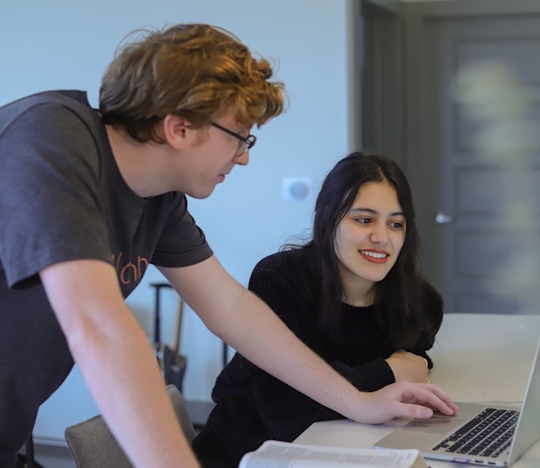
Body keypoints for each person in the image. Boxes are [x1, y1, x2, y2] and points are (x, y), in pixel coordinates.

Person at [0, 24, 457, 468]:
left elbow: (232, 308)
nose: (245, 156)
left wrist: (358, 400)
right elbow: (100, 326)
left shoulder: (159, 200)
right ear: (179, 128)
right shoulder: (48, 140)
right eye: (240, 136)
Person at [193, 152, 450, 467]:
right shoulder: (279, 280)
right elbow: (287, 413)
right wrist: (387, 372)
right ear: (328, 221)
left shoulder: (419, 302)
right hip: (245, 454)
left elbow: (414, 366)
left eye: (395, 224)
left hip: (344, 453)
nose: (382, 238)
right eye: (364, 220)